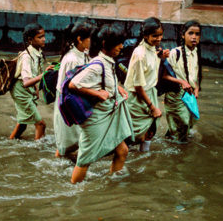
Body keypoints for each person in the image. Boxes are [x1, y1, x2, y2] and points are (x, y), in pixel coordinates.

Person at [68, 23, 133, 183]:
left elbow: (104, 82)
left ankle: (112, 184)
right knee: (85, 160)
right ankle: (73, 192)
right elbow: (74, 84)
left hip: (108, 116)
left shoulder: (107, 62)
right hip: (95, 120)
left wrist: (117, 88)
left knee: (122, 150)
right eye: (118, 43)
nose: (121, 46)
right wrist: (97, 93)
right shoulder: (97, 65)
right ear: (105, 44)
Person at [123, 17, 168, 151]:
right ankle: (120, 160)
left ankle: (144, 156)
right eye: (155, 36)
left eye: (160, 35)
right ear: (145, 36)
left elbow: (150, 66)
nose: (159, 39)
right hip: (138, 98)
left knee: (150, 130)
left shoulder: (152, 48)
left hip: (149, 93)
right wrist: (152, 107)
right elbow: (138, 86)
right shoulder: (140, 54)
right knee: (132, 135)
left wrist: (160, 56)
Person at [54, 20, 94, 158]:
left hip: (75, 100)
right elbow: (71, 86)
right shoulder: (72, 59)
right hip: (68, 101)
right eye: (90, 38)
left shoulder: (83, 53)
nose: (92, 42)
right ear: (80, 39)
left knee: (74, 139)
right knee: (66, 141)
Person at [9, 23, 52, 140]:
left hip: (26, 90)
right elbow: (26, 82)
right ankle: (38, 150)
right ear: (30, 40)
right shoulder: (27, 57)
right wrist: (44, 75)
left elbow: (32, 75)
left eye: (44, 36)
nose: (44, 39)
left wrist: (36, 89)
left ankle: (10, 142)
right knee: (41, 124)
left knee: (22, 124)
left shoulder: (36, 52)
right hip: (21, 91)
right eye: (40, 37)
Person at [162, 20, 202, 143]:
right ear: (183, 35)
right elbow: (164, 75)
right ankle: (179, 151)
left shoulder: (195, 52)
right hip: (175, 94)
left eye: (197, 34)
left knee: (190, 121)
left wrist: (196, 88)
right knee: (183, 122)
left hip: (188, 94)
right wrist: (181, 82)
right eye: (191, 33)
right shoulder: (175, 53)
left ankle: (171, 139)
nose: (194, 37)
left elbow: (194, 75)